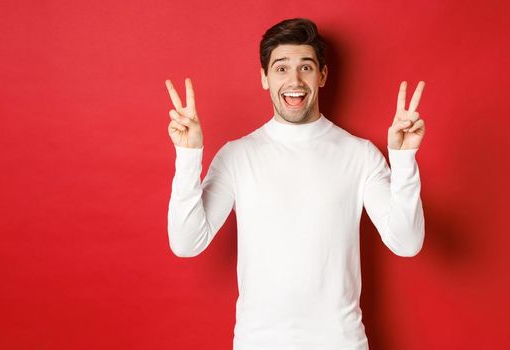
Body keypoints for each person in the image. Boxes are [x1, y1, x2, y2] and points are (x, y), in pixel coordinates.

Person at [164, 18, 426, 350]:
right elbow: (186, 243)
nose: (294, 80)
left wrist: (403, 160)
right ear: (264, 77)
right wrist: (188, 156)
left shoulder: (359, 155)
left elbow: (407, 242)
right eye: (281, 68)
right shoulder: (237, 156)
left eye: (305, 67)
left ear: (322, 75)